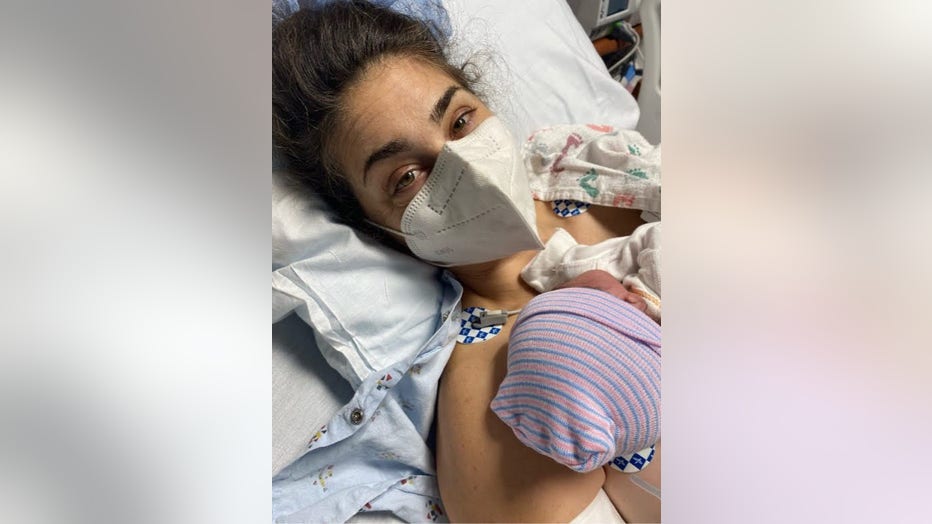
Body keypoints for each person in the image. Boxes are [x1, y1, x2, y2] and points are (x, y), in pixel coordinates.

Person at [273, 1, 661, 521]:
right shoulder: (494, 380)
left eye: (460, 120)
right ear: (375, 229)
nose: (466, 164)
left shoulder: (579, 158)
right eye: (406, 176)